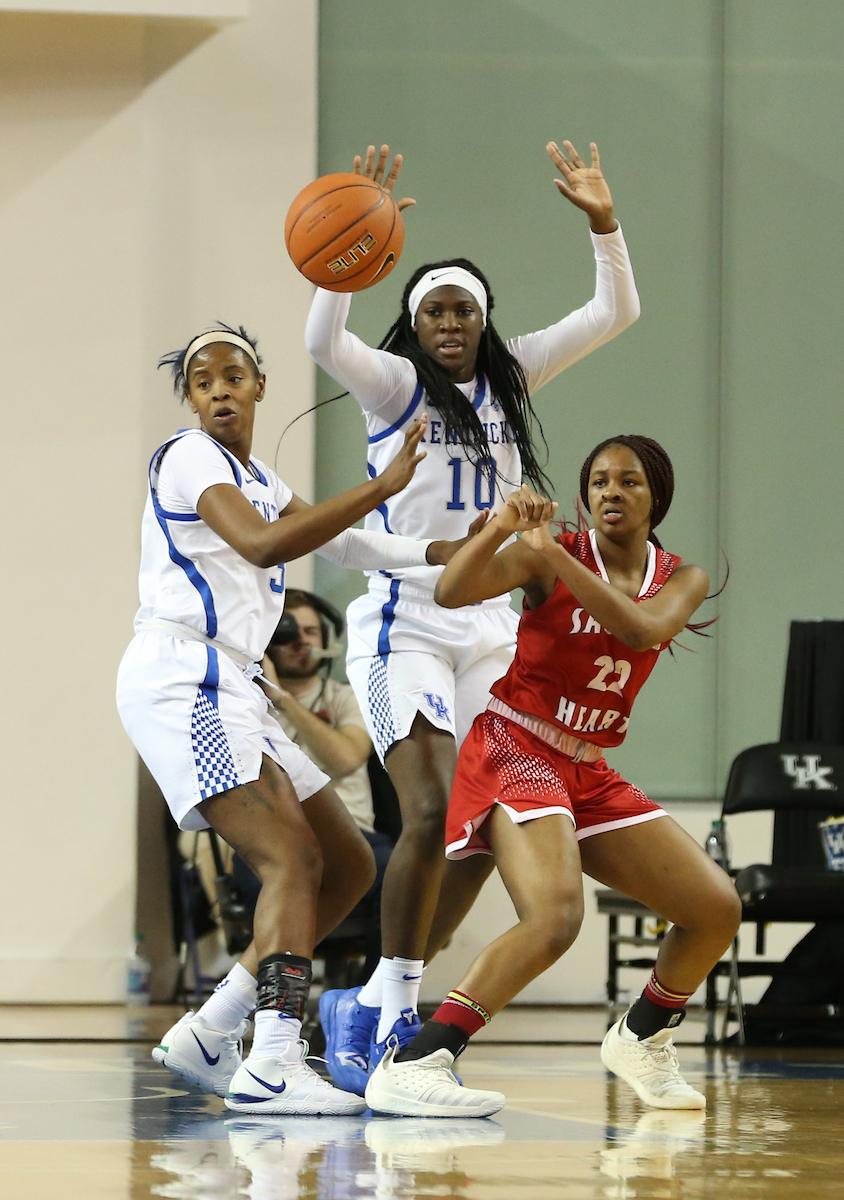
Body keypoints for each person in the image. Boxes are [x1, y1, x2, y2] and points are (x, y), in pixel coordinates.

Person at [305, 140, 641, 1093]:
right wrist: (344, 251)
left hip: (492, 631)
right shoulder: (393, 384)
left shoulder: (516, 375)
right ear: (413, 326)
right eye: (432, 311)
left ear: (485, 320)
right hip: (405, 623)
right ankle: (394, 1008)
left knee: (482, 829)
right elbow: (322, 344)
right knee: (419, 809)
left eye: (463, 309)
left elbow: (616, 311)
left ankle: (372, 999)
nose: (450, 322)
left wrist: (602, 223)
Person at [116, 325, 472, 1116]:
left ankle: (213, 1030)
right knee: (289, 862)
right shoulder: (188, 456)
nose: (216, 388)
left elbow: (344, 544)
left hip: (233, 681)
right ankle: (274, 1057)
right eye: (201, 379)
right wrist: (382, 486)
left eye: (232, 375)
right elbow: (265, 541)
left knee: (347, 864)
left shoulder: (260, 474)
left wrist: (449, 547)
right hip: (185, 673)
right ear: (190, 399)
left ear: (259, 388)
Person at [364, 435, 742, 1117]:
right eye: (598, 482)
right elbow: (452, 591)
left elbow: (637, 631)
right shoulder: (549, 553)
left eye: (628, 482)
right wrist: (505, 531)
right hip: (515, 743)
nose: (610, 493)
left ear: (657, 496)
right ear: (583, 495)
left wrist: (556, 558)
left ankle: (643, 1037)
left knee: (716, 908)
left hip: (586, 765)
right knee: (557, 916)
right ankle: (418, 1060)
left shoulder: (679, 577)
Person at [232, 589, 393, 982]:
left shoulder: (347, 698)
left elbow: (346, 758)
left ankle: (367, 1001)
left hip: (354, 835)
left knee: (393, 870)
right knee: (270, 873)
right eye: (289, 631)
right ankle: (276, 1003)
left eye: (311, 631)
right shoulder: (243, 705)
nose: (302, 641)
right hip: (273, 838)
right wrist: (263, 692)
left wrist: (284, 701)